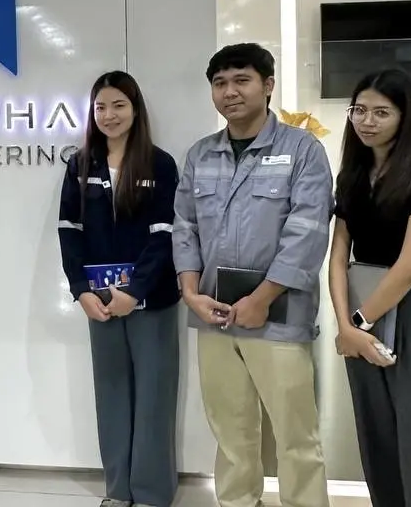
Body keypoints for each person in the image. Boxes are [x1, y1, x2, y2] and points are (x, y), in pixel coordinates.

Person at [172, 43, 332, 507]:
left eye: (241, 80)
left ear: (268, 85)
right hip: (215, 314)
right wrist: (190, 292)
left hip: (278, 315)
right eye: (220, 83)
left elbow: (307, 230)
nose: (230, 92)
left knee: (296, 438)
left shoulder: (302, 150)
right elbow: (184, 226)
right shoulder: (201, 155)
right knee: (231, 433)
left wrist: (262, 298)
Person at [58, 71, 181, 507]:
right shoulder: (80, 164)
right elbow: (69, 230)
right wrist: (80, 290)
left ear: (135, 109)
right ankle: (118, 490)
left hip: (151, 299)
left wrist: (136, 290)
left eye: (118, 105)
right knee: (111, 393)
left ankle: (150, 493)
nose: (109, 115)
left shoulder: (159, 164)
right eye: (100, 107)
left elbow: (165, 233)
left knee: (153, 395)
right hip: (101, 301)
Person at [328, 68, 411, 506]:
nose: (367, 121)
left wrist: (360, 322)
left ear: (405, 117)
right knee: (375, 429)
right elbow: (338, 256)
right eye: (359, 110)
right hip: (360, 311)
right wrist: (345, 326)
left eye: (381, 112)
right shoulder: (352, 175)